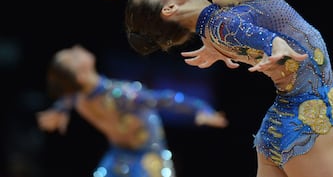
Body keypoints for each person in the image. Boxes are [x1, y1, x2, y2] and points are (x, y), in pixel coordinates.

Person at [123, 0, 333, 177]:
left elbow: (239, 30)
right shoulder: (222, 26)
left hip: (280, 128)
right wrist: (273, 44)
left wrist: (224, 49)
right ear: (169, 9)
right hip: (306, 125)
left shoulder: (214, 30)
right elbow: (254, 34)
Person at [36, 45, 228, 177]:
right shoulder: (119, 95)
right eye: (73, 55)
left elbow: (163, 99)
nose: (77, 48)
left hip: (148, 161)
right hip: (119, 158)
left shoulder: (76, 98)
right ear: (80, 75)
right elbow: (164, 99)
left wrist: (59, 110)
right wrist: (200, 108)